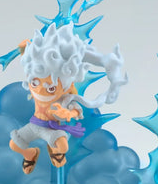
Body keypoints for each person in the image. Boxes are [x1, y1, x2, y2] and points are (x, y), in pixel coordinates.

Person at [9, 23, 126, 174]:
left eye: (51, 87)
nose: (40, 89)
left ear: (64, 85)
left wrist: (68, 114)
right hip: (33, 125)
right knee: (14, 144)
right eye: (35, 83)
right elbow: (27, 55)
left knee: (63, 146)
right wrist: (28, 50)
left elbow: (76, 110)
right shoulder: (35, 75)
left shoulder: (66, 97)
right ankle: (30, 154)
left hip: (51, 128)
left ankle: (55, 152)